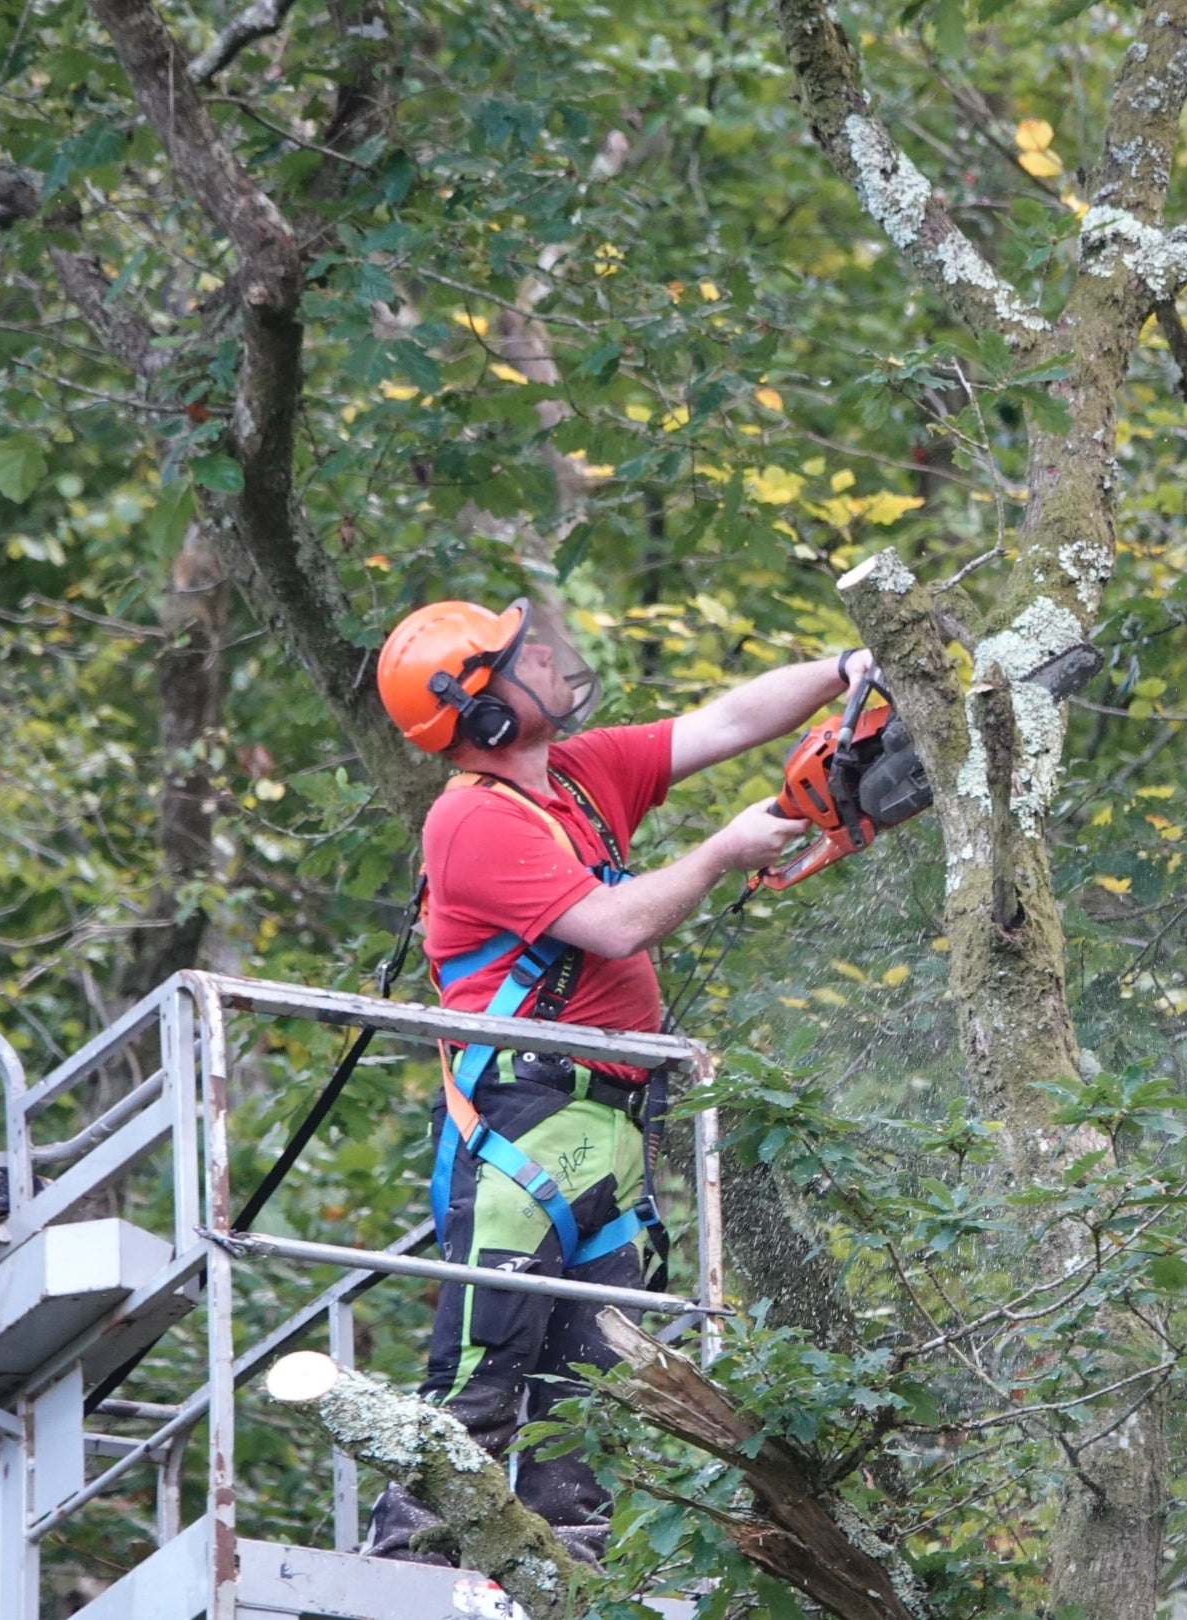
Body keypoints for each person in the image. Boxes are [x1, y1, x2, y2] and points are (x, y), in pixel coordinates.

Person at [361, 596, 873, 1564]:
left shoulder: (579, 777)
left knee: (589, 1396)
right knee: (483, 1371)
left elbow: (723, 722)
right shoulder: (471, 818)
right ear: (484, 712)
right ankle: (407, 1571)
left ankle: (567, 1576)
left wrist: (846, 667)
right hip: (522, 1116)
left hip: (614, 1123)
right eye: (520, 657)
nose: (547, 657)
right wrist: (723, 851)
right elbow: (614, 926)